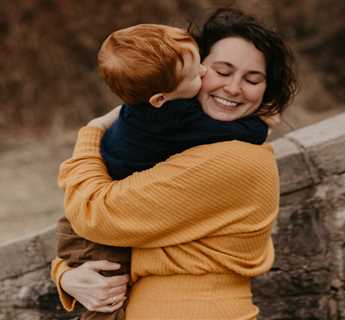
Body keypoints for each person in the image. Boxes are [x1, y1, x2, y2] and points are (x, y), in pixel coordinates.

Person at [52, 7, 297, 320]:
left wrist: (92, 132)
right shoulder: (175, 141)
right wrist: (68, 276)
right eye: (221, 72)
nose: (234, 88)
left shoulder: (238, 160)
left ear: (266, 90)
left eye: (252, 79)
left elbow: (95, 213)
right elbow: (115, 232)